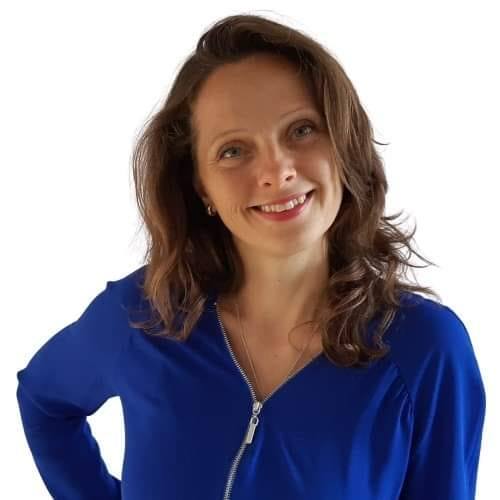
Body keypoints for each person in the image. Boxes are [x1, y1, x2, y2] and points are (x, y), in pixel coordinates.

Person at [16, 13, 486, 500]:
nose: (276, 171)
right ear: (202, 187)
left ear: (343, 145)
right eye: (233, 151)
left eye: (301, 130)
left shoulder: (423, 349)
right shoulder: (142, 315)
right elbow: (45, 403)